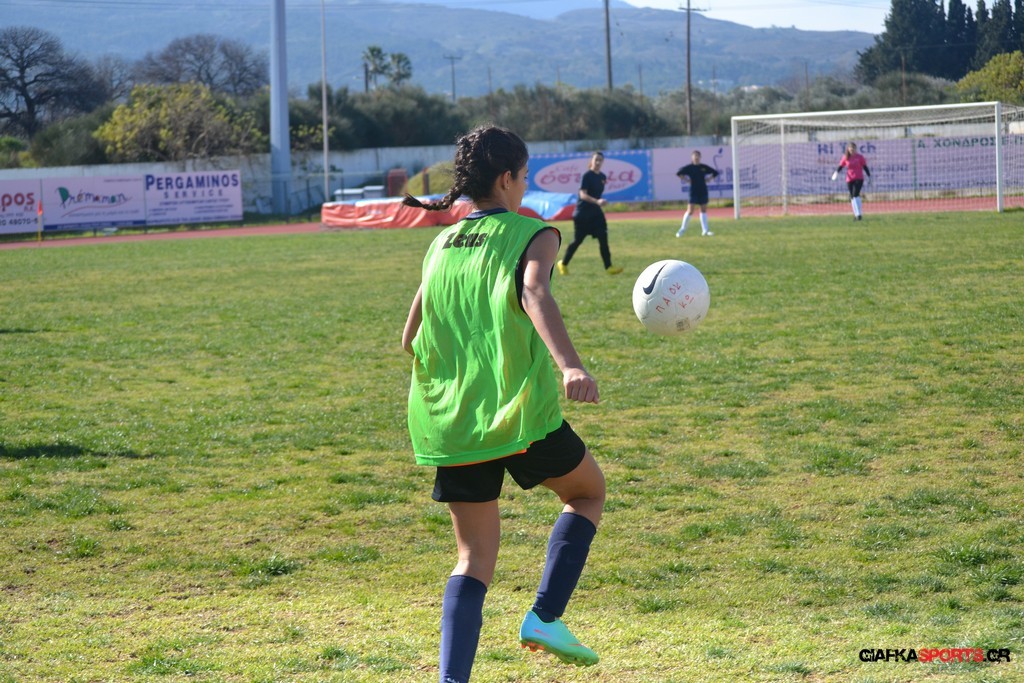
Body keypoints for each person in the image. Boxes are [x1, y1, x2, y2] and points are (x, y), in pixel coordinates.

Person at [402, 125, 607, 683]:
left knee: (472, 560)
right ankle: (545, 616)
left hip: (449, 422)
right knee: (587, 493)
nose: (524, 186)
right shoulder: (533, 233)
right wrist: (570, 366)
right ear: (506, 178)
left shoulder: (440, 244)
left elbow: (408, 337)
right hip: (518, 416)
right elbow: (534, 291)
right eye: (524, 176)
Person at [556, 152, 624, 275]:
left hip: (596, 214)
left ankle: (609, 267)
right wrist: (597, 201)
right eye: (596, 159)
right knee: (577, 241)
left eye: (600, 160)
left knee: (603, 238)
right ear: (591, 161)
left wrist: (600, 202)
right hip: (583, 214)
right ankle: (563, 263)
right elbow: (582, 194)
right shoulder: (587, 176)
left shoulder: (602, 177)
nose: (598, 162)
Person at [675, 150, 719, 237]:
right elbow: (678, 173)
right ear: (692, 157)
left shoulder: (703, 167)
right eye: (695, 156)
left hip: (703, 190)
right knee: (690, 210)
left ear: (700, 157)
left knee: (703, 210)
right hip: (693, 191)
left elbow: (715, 173)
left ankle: (705, 231)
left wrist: (709, 179)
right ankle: (682, 229)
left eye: (698, 156)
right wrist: (686, 180)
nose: (696, 157)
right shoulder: (689, 167)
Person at [832, 142, 871, 221]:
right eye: (851, 148)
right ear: (848, 149)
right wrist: (836, 173)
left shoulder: (860, 157)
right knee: (852, 197)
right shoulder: (845, 157)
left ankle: (858, 214)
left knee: (855, 194)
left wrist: (869, 176)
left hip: (859, 178)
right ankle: (856, 214)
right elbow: (841, 166)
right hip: (849, 179)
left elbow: (865, 167)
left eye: (853, 148)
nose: (852, 150)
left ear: (855, 149)